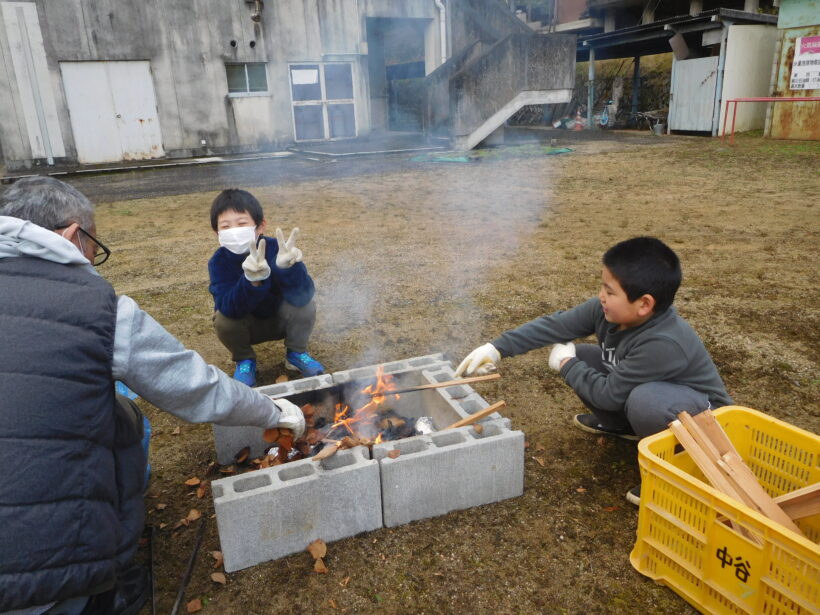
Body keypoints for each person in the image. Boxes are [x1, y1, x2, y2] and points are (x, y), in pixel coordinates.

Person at [0, 177, 305, 615]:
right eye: (92, 245)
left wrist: (289, 273)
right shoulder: (97, 309)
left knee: (117, 404)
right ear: (71, 235)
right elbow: (193, 386)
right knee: (123, 422)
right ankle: (116, 575)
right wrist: (271, 410)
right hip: (49, 583)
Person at [455, 236, 732, 505]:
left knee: (644, 399)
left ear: (644, 304)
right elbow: (556, 326)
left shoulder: (663, 342)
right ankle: (621, 427)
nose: (601, 296)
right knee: (586, 356)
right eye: (603, 287)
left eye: (610, 292)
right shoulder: (605, 310)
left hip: (705, 424)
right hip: (655, 396)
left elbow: (608, 395)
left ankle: (673, 472)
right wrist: (497, 347)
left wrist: (566, 365)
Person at [208, 188, 323, 386]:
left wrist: (288, 269)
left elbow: (303, 295)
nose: (233, 231)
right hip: (248, 325)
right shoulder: (218, 262)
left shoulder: (279, 249)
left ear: (260, 226)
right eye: (225, 226)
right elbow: (228, 307)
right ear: (217, 232)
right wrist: (251, 281)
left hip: (281, 319)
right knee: (223, 320)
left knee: (306, 306)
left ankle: (296, 353)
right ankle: (245, 360)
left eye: (242, 223)